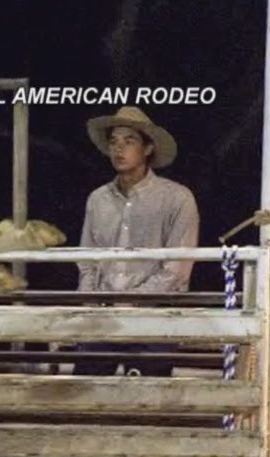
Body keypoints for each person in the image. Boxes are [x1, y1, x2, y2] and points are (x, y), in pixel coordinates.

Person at [73, 106, 199, 378]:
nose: (119, 149)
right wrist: (90, 305)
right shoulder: (98, 199)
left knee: (147, 401)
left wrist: (130, 305)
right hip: (103, 318)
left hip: (153, 317)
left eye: (129, 141)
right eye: (114, 142)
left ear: (148, 148)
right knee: (85, 394)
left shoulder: (176, 198)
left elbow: (176, 271)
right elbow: (87, 259)